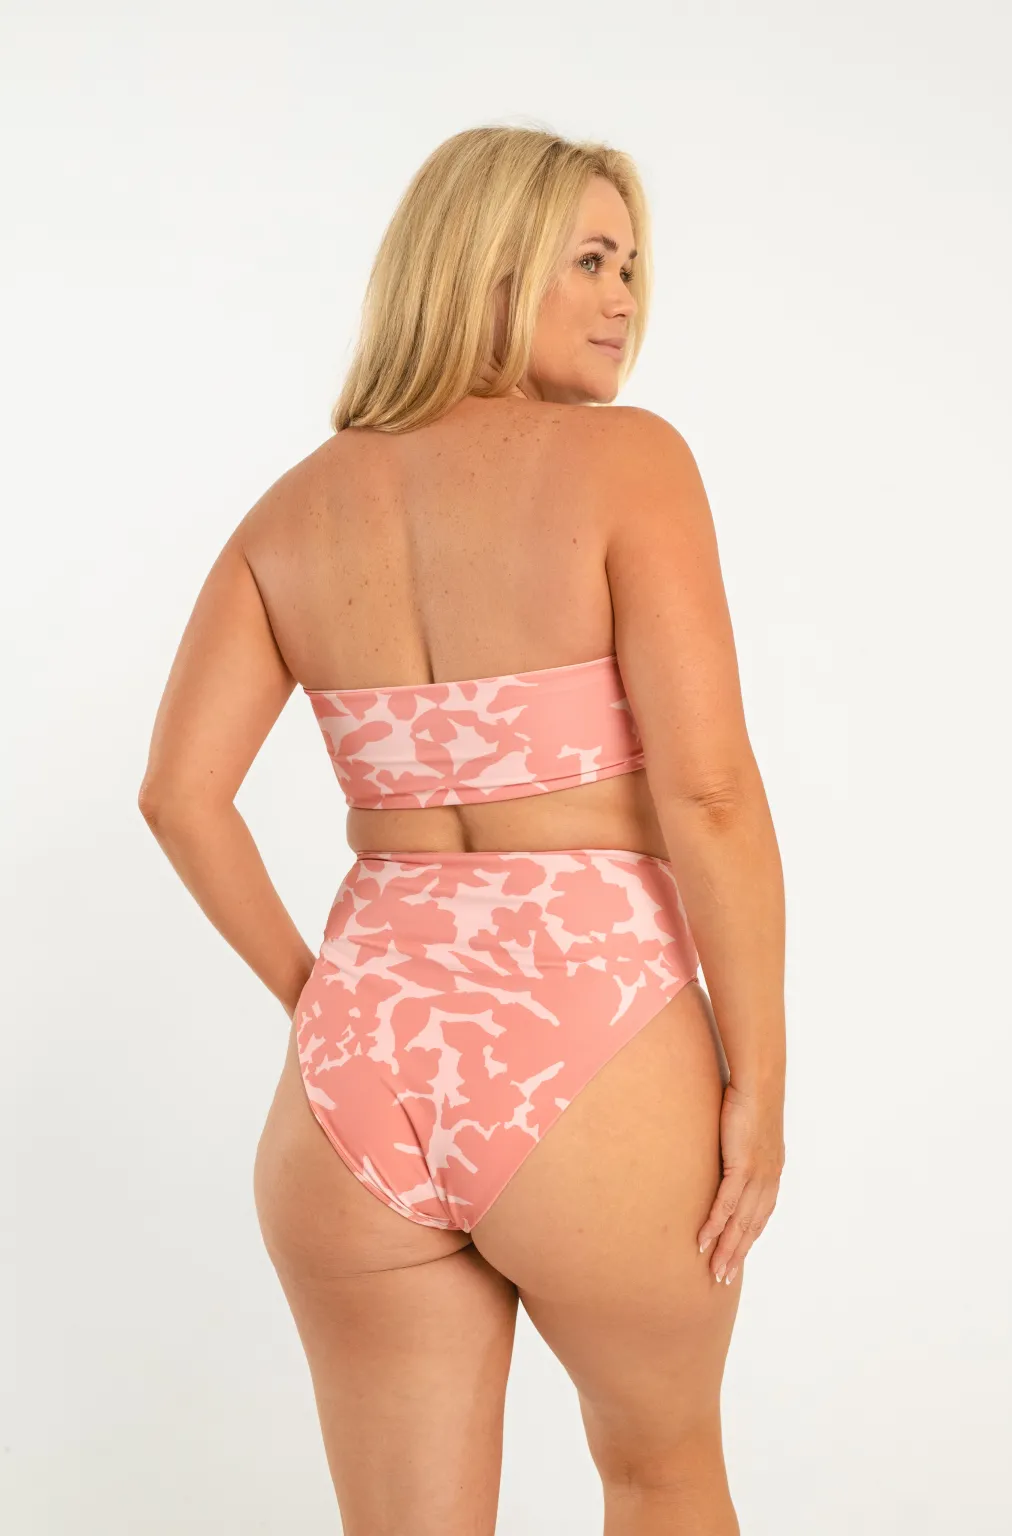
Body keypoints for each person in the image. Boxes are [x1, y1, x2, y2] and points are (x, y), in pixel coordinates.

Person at [139, 124, 786, 1536]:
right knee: (661, 1474)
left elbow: (179, 797)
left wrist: (323, 1003)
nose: (624, 300)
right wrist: (762, 1080)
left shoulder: (291, 511)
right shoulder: (630, 463)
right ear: (488, 266)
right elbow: (711, 794)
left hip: (356, 1073)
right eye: (590, 260)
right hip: (591, 1038)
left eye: (632, 267)